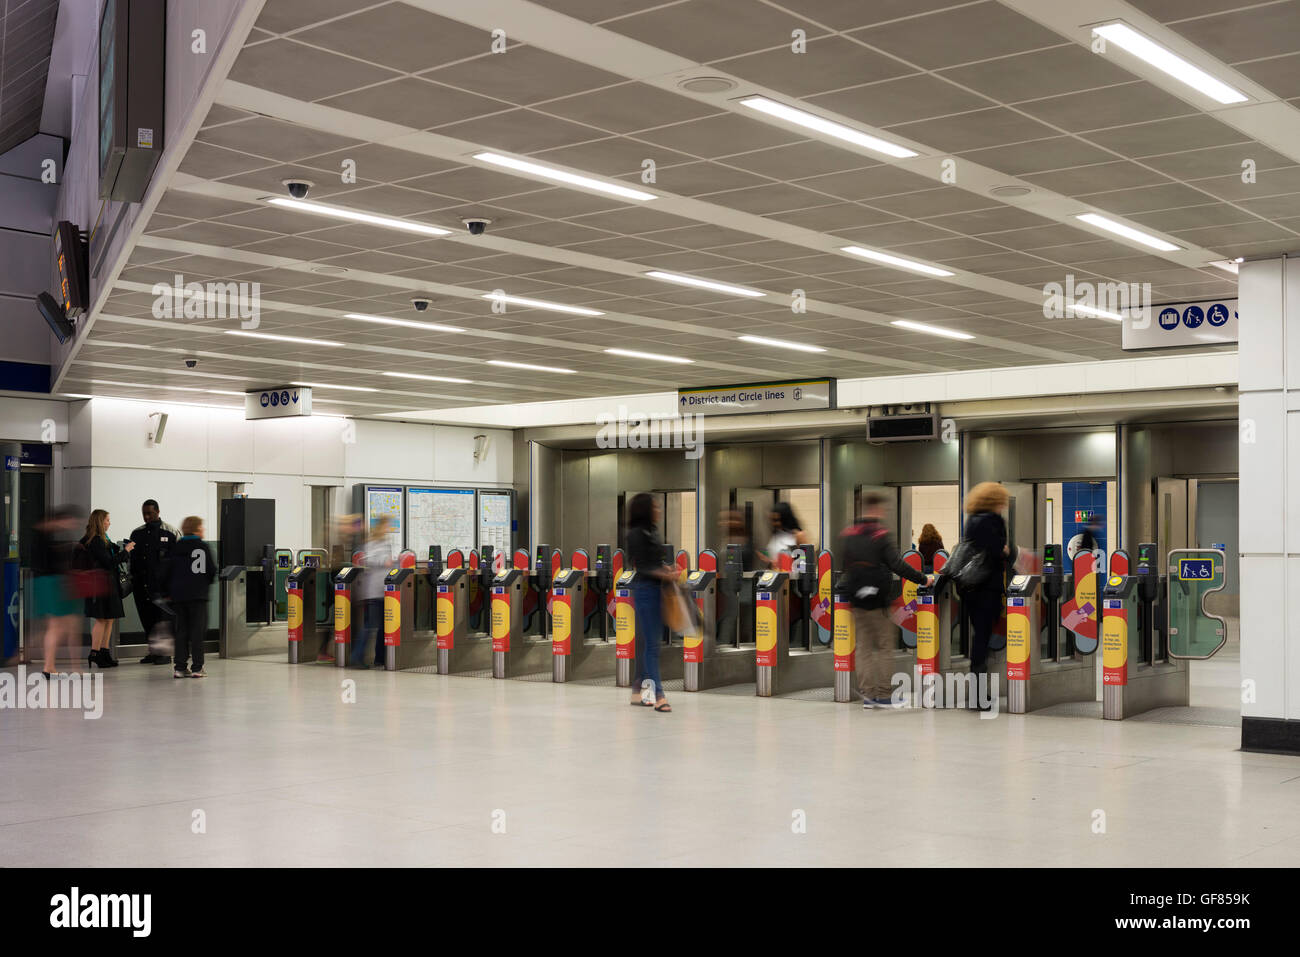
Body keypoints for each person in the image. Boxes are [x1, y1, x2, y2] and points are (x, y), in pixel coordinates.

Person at [840, 494, 929, 709]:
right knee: (884, 646)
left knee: (863, 647)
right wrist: (923, 578)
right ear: (877, 510)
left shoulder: (848, 534)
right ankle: (883, 694)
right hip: (878, 599)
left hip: (856, 597)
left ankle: (868, 696)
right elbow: (897, 564)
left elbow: (844, 565)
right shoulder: (881, 534)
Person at [938, 482, 1014, 711]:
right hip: (987, 588)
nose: (1003, 505)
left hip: (970, 589)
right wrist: (1007, 552)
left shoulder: (971, 520)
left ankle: (978, 693)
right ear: (994, 501)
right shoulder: (992, 521)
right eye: (1001, 500)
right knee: (982, 639)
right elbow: (995, 551)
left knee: (978, 637)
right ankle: (979, 696)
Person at [625, 492, 674, 713]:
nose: (659, 510)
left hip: (657, 590)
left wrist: (667, 569)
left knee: (647, 642)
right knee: (652, 646)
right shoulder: (635, 534)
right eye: (655, 507)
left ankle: (638, 690)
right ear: (646, 510)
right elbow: (642, 567)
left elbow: (655, 561)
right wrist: (664, 575)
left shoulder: (652, 531)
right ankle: (658, 695)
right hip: (646, 590)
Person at [79, 509, 135, 669]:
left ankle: (104, 652)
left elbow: (112, 552)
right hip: (100, 585)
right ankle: (95, 653)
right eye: (108, 520)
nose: (110, 523)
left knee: (109, 618)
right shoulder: (95, 541)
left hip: (108, 584)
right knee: (102, 619)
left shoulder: (103, 539)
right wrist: (126, 552)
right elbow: (109, 562)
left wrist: (123, 549)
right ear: (100, 522)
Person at [33, 507, 83, 679]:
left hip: (48, 583)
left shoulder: (43, 538)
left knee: (58, 626)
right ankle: (51, 666)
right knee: (60, 626)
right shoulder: (46, 538)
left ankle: (52, 666)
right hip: (53, 583)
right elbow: (54, 564)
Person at [165, 516, 216, 678]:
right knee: (197, 632)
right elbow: (211, 571)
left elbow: (167, 570)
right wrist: (204, 583)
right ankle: (197, 668)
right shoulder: (203, 547)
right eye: (202, 527)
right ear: (196, 529)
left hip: (178, 596)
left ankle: (179, 667)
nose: (203, 530)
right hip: (198, 595)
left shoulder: (176, 547)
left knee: (181, 632)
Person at [130, 500, 178, 664]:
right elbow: (133, 560)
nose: (146, 517)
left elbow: (178, 560)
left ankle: (164, 653)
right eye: (144, 513)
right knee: (147, 618)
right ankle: (153, 651)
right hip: (142, 585)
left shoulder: (170, 532)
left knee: (162, 620)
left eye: (149, 513)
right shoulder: (137, 534)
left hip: (162, 587)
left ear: (158, 512)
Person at [350, 516, 393, 669]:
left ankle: (380, 658)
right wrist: (384, 561)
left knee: (382, 626)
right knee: (370, 625)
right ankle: (357, 656)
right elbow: (367, 560)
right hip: (374, 592)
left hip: (384, 591)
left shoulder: (386, 543)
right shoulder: (371, 543)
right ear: (381, 527)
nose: (389, 528)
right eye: (387, 525)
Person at [762, 501, 810, 567]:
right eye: (772, 520)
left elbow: (807, 562)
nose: (773, 523)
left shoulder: (798, 536)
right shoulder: (776, 534)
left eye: (776, 520)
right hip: (774, 574)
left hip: (790, 575)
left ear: (785, 519)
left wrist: (786, 563)